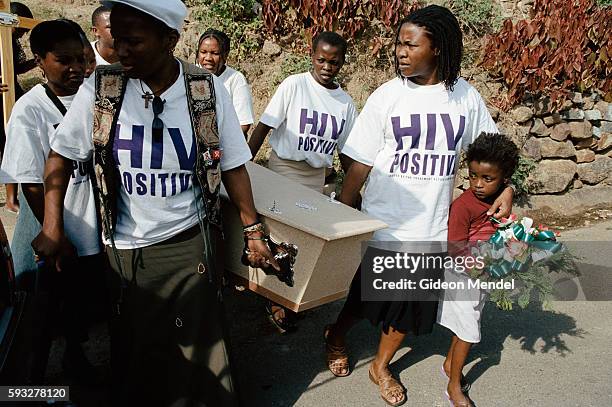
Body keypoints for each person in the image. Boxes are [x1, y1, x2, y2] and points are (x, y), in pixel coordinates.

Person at [32, 1, 276, 406]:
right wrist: (52, 226)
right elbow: (59, 157)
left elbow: (233, 167)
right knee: (136, 343)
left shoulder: (205, 90)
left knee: (200, 345)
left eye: (133, 41)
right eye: (115, 41)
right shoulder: (102, 88)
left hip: (189, 239)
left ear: (169, 40)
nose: (120, 51)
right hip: (124, 248)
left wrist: (252, 230)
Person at [323, 6, 514, 406]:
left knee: (407, 310)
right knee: (362, 301)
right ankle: (336, 335)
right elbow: (357, 166)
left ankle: (380, 365)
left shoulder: (465, 97)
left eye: (411, 44)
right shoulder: (387, 97)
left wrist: (506, 189)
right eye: (398, 44)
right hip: (384, 225)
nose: (400, 52)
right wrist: (340, 220)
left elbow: (492, 153)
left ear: (439, 48)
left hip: (432, 228)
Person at [0, 18, 102, 383]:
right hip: (56, 229)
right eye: (64, 60)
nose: (76, 68)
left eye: (81, 59)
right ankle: (30, 385)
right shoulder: (31, 110)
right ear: (40, 60)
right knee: (41, 310)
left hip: (94, 224)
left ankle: (76, 361)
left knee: (80, 305)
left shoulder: (95, 96)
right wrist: (55, 234)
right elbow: (30, 181)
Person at [247, 31, 358, 333]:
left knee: (304, 242)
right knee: (279, 236)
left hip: (315, 178)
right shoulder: (294, 85)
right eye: (321, 59)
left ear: (342, 63)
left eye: (333, 62)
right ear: (312, 56)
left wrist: (355, 187)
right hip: (284, 169)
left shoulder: (345, 103)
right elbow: (264, 127)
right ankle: (275, 300)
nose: (326, 66)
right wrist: (244, 166)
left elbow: (346, 154)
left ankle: (291, 296)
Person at [438, 132, 519, 407]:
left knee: (467, 322)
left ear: (504, 178)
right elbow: (456, 248)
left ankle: (450, 364)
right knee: (469, 331)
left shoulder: (500, 200)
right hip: (464, 274)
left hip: (482, 275)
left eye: (487, 178)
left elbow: (502, 232)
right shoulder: (464, 206)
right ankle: (453, 386)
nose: (478, 184)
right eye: (473, 176)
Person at [1, 2, 37, 214]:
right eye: (22, 28)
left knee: (12, 144)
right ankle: (10, 199)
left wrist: (37, 62)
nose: (23, 34)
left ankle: (12, 198)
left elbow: (15, 67)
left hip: (13, 95)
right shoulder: (1, 37)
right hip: (3, 96)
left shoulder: (11, 42)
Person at [196, 29, 254, 137]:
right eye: (203, 52)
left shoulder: (235, 80)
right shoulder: (190, 76)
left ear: (225, 55)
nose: (208, 58)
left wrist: (217, 144)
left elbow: (243, 123)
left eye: (215, 53)